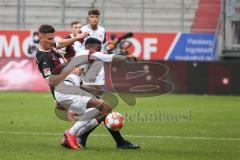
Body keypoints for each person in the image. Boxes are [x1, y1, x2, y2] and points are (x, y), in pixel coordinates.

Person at [55, 37, 138, 150]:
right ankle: (72, 134)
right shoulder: (88, 53)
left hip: (69, 90)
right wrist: (127, 57)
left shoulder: (83, 59)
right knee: (103, 110)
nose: (99, 51)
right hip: (69, 90)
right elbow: (108, 57)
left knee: (101, 111)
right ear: (90, 47)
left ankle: (77, 137)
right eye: (98, 48)